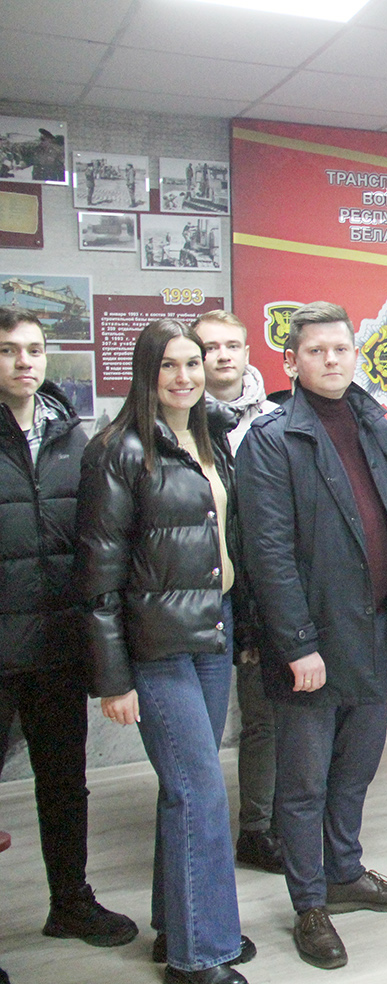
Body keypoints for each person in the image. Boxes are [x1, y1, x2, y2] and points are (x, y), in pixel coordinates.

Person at [235, 303, 387, 970]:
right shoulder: (271, 438)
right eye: (316, 351)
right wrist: (296, 644)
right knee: (304, 784)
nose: (332, 360)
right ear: (291, 361)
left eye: (341, 348)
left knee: (355, 771)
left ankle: (344, 872)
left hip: (371, 629)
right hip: (312, 642)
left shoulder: (373, 423)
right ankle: (309, 903)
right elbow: (267, 553)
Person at [77, 319, 251, 984]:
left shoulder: (210, 438)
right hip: (157, 648)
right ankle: (199, 956)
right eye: (169, 365)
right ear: (146, 374)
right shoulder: (117, 450)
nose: (184, 376)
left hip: (211, 632)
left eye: (193, 363)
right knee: (200, 793)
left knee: (184, 791)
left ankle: (181, 927)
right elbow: (98, 579)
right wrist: (112, 679)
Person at [0, 307, 137, 950]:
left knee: (63, 785)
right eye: (9, 350)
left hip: (57, 645)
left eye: (33, 349)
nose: (24, 361)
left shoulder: (72, 437)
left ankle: (70, 903)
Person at [193, 310, 282, 875]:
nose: (222, 356)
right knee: (197, 729)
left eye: (232, 345)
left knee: (264, 717)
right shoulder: (176, 421)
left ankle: (258, 829)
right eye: (209, 347)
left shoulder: (274, 419)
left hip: (259, 589)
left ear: (249, 353)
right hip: (197, 594)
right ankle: (198, 838)